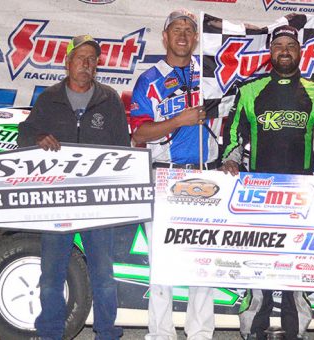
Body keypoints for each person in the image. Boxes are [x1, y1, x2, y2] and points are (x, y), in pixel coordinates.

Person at [220, 25, 314, 340]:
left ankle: (295, 331)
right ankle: (253, 330)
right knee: (258, 267)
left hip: (302, 194)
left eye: (290, 45)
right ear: (270, 51)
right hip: (257, 193)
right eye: (278, 44)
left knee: (298, 268)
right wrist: (230, 160)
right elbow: (234, 136)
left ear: (300, 52)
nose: (284, 50)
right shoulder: (250, 90)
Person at [17, 34, 127, 340]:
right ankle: (50, 333)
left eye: (92, 59)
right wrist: (37, 139)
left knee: (104, 276)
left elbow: (124, 149)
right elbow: (23, 135)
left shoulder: (110, 99)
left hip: (98, 202)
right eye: (81, 58)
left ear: (97, 65)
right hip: (57, 200)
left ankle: (107, 333)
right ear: (67, 63)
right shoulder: (49, 98)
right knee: (51, 274)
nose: (87, 64)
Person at [129, 9, 216, 340]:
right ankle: (161, 334)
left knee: (202, 260)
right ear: (164, 37)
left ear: (196, 39)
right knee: (162, 263)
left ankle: (200, 333)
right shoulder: (149, 79)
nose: (183, 34)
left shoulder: (209, 77)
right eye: (176, 29)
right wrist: (179, 119)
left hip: (205, 176)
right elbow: (139, 134)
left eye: (189, 30)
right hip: (164, 176)